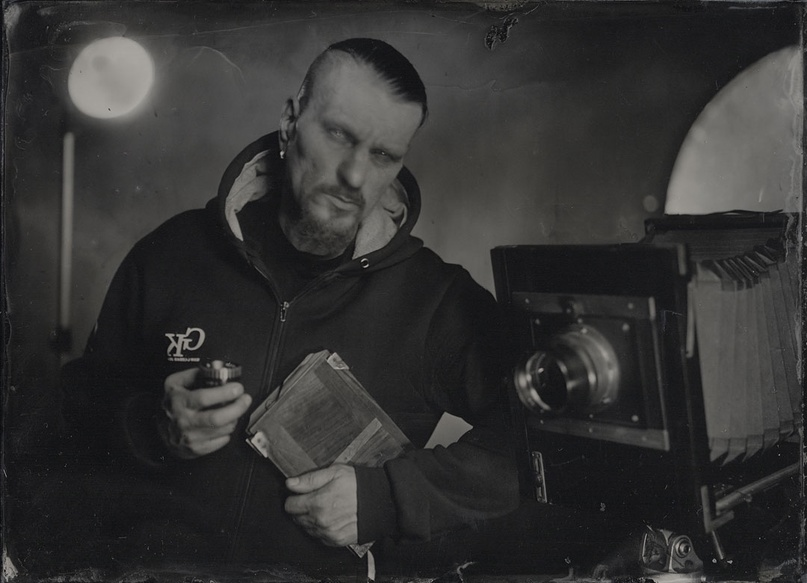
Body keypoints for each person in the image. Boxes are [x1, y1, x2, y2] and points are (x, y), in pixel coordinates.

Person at [61, 38, 519, 576]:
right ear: (289, 123)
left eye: (383, 155)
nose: (354, 176)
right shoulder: (171, 252)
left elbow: (543, 448)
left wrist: (386, 498)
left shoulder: (437, 300)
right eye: (340, 135)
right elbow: (67, 420)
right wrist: (150, 427)